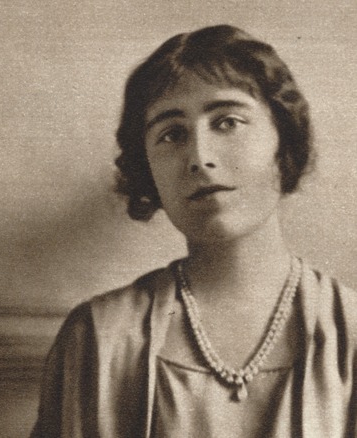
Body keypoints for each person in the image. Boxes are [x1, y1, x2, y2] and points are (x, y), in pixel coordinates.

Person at [31, 25, 357, 437]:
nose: (199, 158)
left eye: (227, 122)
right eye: (172, 134)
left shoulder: (351, 332)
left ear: (283, 140)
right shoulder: (99, 337)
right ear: (147, 168)